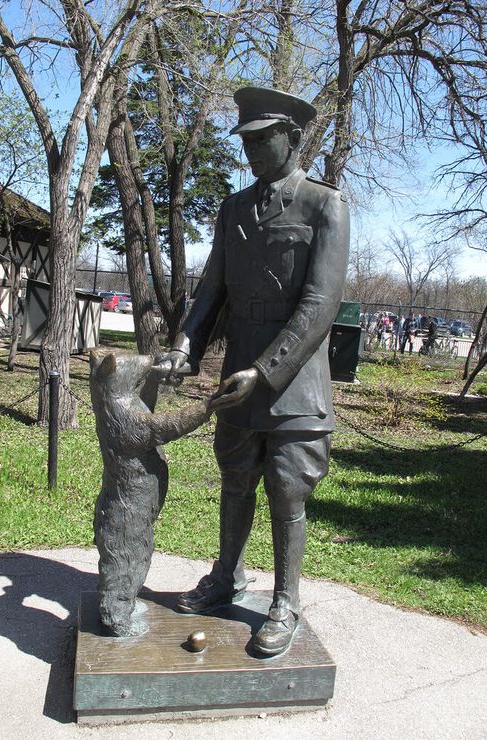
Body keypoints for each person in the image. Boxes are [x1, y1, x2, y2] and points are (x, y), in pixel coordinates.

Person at [158, 87, 349, 656]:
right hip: (238, 380)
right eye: (246, 140)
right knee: (235, 481)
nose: (252, 151)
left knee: (288, 493)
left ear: (293, 138)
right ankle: (227, 576)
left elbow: (320, 305)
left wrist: (265, 371)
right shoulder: (234, 210)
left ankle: (285, 601)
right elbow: (211, 289)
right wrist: (184, 348)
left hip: (294, 383)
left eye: (263, 139)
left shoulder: (324, 206)